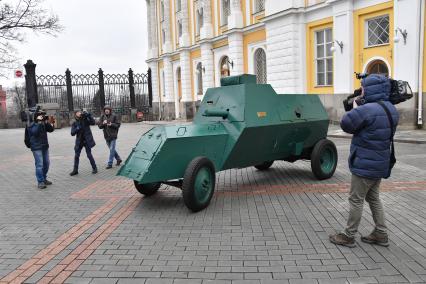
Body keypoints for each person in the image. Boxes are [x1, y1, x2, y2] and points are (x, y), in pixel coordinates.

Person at [329, 74, 399, 248]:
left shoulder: (367, 110)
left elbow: (346, 124)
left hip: (365, 164)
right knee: (374, 198)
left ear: (370, 89)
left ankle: (348, 235)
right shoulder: (390, 108)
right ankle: (381, 233)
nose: (362, 90)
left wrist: (354, 108)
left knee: (356, 199)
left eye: (364, 87)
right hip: (380, 163)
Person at [28, 108, 55, 189]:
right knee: (39, 164)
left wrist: (49, 122)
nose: (42, 116)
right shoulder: (31, 124)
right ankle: (40, 182)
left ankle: (44, 178)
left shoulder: (43, 123)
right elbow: (35, 133)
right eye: (40, 115)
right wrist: (39, 122)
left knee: (47, 163)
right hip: (36, 147)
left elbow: (50, 129)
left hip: (44, 146)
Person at [70, 110, 98, 176]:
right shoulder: (75, 122)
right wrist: (77, 128)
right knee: (76, 156)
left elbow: (93, 122)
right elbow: (72, 133)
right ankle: (75, 170)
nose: (79, 113)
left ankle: (94, 168)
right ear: (75, 114)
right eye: (77, 112)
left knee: (89, 155)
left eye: (80, 112)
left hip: (87, 140)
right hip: (79, 141)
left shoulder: (85, 119)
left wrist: (89, 115)